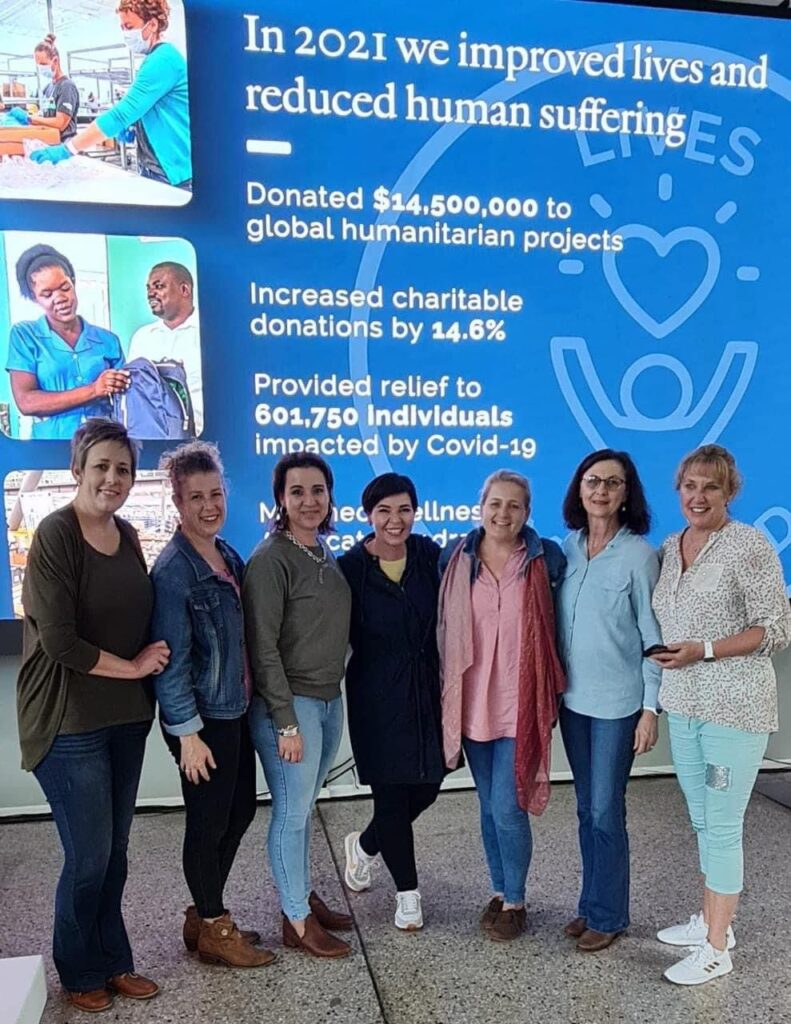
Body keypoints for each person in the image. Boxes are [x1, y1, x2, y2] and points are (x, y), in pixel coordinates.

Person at [15, 418, 170, 1014]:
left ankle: (114, 961)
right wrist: (133, 668)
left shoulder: (127, 534)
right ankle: (79, 970)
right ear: (77, 469)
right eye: (101, 465)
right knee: (89, 857)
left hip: (124, 718)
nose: (113, 478)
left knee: (116, 853)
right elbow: (60, 642)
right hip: (68, 718)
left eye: (123, 469)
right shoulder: (56, 534)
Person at [650, 444, 791, 986]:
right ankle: (714, 922)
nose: (699, 496)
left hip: (734, 708)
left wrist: (704, 650)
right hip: (684, 705)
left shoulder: (749, 545)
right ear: (678, 490)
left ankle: (716, 950)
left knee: (724, 824)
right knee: (702, 820)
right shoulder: (671, 546)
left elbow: (774, 629)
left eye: (711, 486)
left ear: (730, 491)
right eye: (690, 485)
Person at [150, 441, 273, 968]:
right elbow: (171, 663)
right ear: (178, 502)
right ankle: (214, 923)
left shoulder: (227, 555)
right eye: (196, 497)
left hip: (233, 710)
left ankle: (203, 916)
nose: (209, 505)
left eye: (216, 494)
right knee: (207, 823)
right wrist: (187, 735)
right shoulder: (174, 572)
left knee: (238, 811)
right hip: (201, 722)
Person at [437, 470, 566, 942]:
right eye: (495, 503)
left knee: (508, 807)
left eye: (514, 505)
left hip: (520, 703)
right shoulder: (456, 558)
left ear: (527, 512)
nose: (503, 513)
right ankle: (497, 889)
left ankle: (516, 899)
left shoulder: (545, 559)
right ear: (481, 506)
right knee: (488, 805)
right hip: (472, 702)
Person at [243, 453, 353, 958]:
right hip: (291, 708)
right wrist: (285, 722)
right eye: (297, 492)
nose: (309, 501)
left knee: (305, 808)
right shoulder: (271, 559)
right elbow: (262, 646)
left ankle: (302, 895)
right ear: (280, 500)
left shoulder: (321, 549)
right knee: (291, 813)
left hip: (328, 699)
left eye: (318, 490)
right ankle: (296, 919)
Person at [556, 449, 663, 952]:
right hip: (573, 703)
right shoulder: (567, 549)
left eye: (612, 483)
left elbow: (654, 638)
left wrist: (651, 709)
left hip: (619, 707)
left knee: (604, 810)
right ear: (579, 489)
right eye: (592, 481)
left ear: (626, 494)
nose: (600, 490)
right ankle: (591, 903)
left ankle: (610, 915)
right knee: (585, 809)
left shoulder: (640, 556)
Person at [338, 473, 444, 931]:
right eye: (384, 511)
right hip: (376, 699)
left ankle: (363, 846)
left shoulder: (428, 556)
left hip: (426, 694)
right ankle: (408, 895)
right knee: (391, 796)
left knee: (428, 787)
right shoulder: (351, 569)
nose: (394, 520)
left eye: (403, 510)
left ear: (415, 513)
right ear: (368, 516)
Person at [30, 0, 191, 190]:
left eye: (129, 27)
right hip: (155, 166)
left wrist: (68, 149)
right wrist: (137, 126)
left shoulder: (163, 59)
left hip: (173, 172)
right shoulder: (156, 59)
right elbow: (153, 109)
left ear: (153, 24)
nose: (126, 34)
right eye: (122, 27)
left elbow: (120, 115)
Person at [6, 245, 129, 440]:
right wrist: (94, 389)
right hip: (50, 448)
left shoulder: (108, 340)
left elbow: (125, 400)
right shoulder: (25, 335)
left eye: (65, 287)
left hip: (103, 446)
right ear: (34, 298)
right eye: (47, 294)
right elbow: (26, 402)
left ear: (73, 282)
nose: (60, 298)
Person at [127, 262, 202, 433]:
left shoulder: (210, 334)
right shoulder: (142, 337)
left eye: (159, 286)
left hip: (201, 437)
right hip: (153, 438)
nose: (150, 294)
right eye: (148, 288)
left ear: (184, 290)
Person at [6, 35, 80, 142]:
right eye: (38, 65)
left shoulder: (67, 87)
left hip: (64, 143)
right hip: (50, 140)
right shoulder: (48, 88)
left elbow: (61, 123)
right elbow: (44, 116)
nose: (41, 68)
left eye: (43, 64)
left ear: (55, 61)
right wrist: (27, 118)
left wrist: (31, 119)